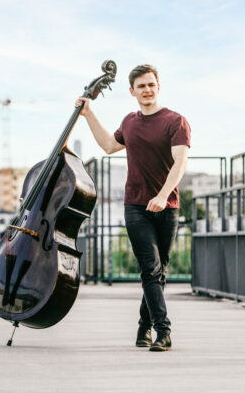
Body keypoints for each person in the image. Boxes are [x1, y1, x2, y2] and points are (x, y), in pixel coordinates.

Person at [75, 64, 191, 351]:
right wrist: (88, 113)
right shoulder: (129, 122)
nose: (147, 90)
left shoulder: (176, 121)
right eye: (141, 86)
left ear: (158, 86)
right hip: (136, 206)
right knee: (150, 270)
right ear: (132, 91)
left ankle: (143, 328)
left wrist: (163, 195)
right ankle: (164, 332)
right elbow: (107, 146)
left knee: (159, 271)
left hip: (168, 206)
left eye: (151, 84)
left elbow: (180, 162)